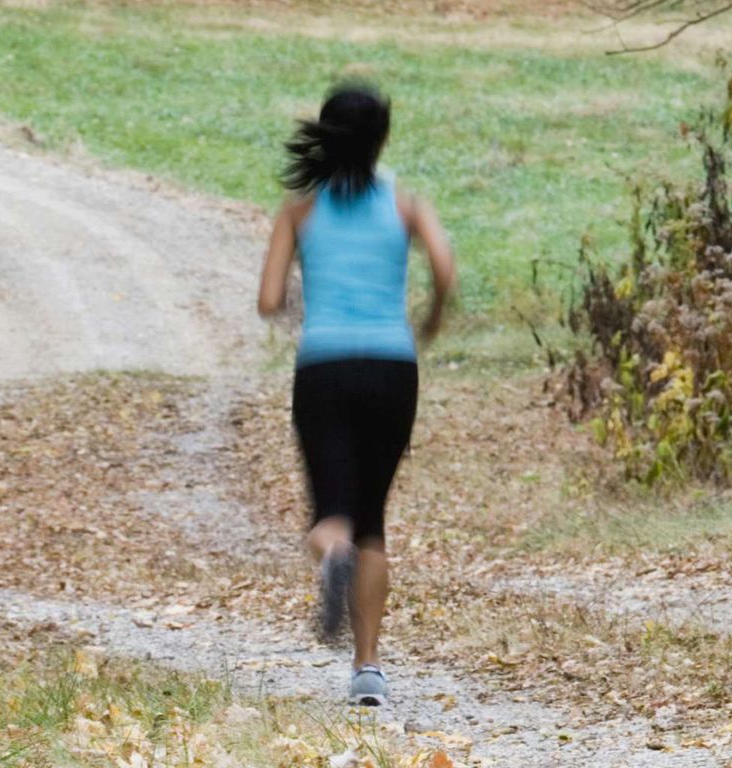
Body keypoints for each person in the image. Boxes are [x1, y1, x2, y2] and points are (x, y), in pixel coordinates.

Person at [257, 83, 455, 707]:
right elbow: (446, 270)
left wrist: (304, 311)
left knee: (331, 515)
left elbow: (267, 300)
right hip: (393, 369)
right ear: (382, 138)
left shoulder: (299, 208)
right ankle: (367, 669)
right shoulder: (405, 203)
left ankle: (329, 549)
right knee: (373, 520)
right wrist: (428, 321)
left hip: (324, 369)